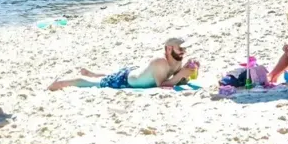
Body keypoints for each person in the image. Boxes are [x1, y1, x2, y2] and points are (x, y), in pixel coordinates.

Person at [48, 38, 197, 90]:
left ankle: (93, 72)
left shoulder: (177, 59)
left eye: (184, 48)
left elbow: (179, 79)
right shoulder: (160, 62)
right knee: (94, 83)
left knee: (108, 75)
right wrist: (182, 74)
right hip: (125, 80)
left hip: (134, 72)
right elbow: (162, 85)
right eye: (180, 48)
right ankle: (59, 83)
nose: (183, 51)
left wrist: (189, 71)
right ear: (169, 48)